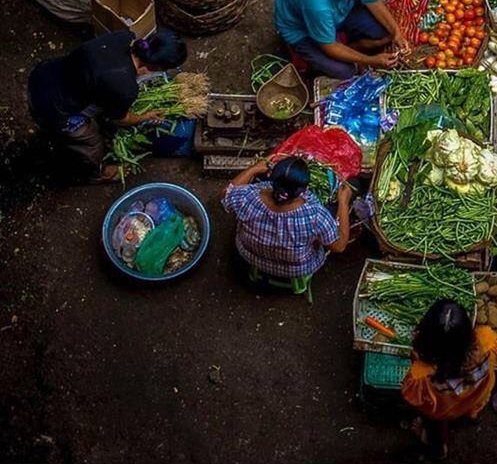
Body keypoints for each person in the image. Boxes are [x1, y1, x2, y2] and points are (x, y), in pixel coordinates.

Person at [27, 29, 187, 183]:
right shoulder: (125, 86)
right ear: (157, 67)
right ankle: (95, 174)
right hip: (53, 107)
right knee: (91, 141)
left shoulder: (124, 37)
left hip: (44, 74)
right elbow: (120, 119)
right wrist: (146, 116)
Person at [274, 0, 406, 79]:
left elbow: (373, 0)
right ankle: (321, 58)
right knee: (345, 71)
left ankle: (349, 48)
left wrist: (396, 32)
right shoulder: (318, 4)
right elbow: (329, 46)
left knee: (382, 32)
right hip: (300, 28)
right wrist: (370, 60)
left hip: (338, 11)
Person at [401, 300, 497, 460]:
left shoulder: (421, 374)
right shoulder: (488, 340)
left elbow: (415, 399)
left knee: (434, 427)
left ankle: (438, 450)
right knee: (472, 404)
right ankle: (471, 414)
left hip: (445, 410)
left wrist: (416, 358)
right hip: (478, 395)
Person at [221, 156, 352, 280]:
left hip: (250, 256)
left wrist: (254, 169)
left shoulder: (247, 197)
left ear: (270, 178)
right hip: (296, 269)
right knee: (333, 209)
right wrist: (344, 203)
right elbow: (339, 246)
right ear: (304, 189)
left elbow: (225, 194)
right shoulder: (315, 215)